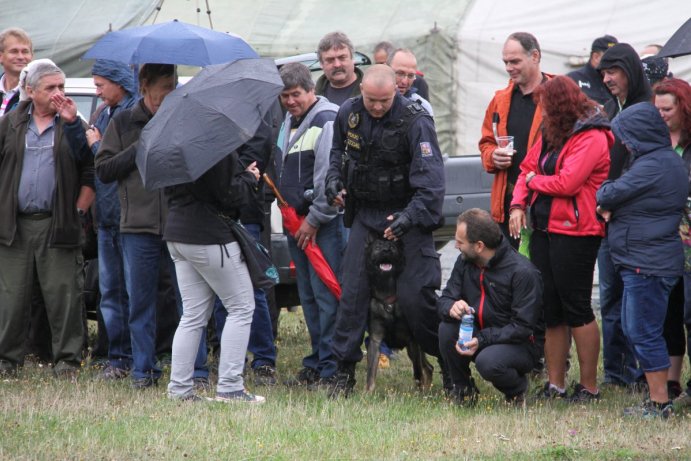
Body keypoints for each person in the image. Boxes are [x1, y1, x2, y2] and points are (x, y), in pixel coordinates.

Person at [324, 64, 445, 397]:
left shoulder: (416, 122)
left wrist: (406, 220)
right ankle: (342, 372)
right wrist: (333, 181)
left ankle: (450, 368)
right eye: (371, 100)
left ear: (397, 91)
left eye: (384, 100)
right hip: (366, 216)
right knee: (352, 295)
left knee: (417, 298)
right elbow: (337, 153)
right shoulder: (349, 113)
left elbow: (432, 186)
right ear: (361, 89)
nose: (376, 107)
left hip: (408, 217)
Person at [509, 76, 612, 401]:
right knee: (551, 308)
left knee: (577, 306)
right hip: (543, 229)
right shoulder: (551, 131)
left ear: (561, 105)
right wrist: (517, 203)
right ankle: (556, 384)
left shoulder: (593, 135)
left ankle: (589, 386)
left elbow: (567, 183)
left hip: (577, 232)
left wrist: (532, 180)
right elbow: (527, 167)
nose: (541, 113)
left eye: (545, 107)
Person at [0, 60, 94, 377]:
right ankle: (6, 361)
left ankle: (67, 361)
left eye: (62, 87)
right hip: (14, 226)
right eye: (50, 87)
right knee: (11, 297)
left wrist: (78, 212)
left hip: (58, 224)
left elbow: (90, 172)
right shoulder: (10, 124)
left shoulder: (72, 124)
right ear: (30, 91)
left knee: (64, 295)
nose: (58, 94)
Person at [596, 102, 687, 419]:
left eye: (626, 136)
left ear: (640, 134)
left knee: (644, 332)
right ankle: (656, 399)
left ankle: (660, 404)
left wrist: (608, 191)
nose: (623, 143)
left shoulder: (653, 165)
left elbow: (606, 194)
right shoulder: (657, 161)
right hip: (644, 259)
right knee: (639, 330)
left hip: (647, 262)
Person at [95, 63, 177, 389]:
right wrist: (140, 146)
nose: (169, 94)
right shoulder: (123, 121)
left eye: (173, 85)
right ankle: (144, 372)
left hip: (179, 227)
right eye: (164, 87)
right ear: (145, 85)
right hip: (137, 228)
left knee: (189, 304)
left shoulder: (180, 119)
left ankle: (196, 372)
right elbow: (104, 169)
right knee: (140, 304)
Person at [164, 148, 264, 403]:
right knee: (241, 307)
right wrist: (250, 178)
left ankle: (179, 389)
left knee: (192, 315)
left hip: (177, 232)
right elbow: (228, 195)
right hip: (209, 235)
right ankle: (230, 387)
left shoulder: (174, 145)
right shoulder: (214, 146)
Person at [276, 63, 344, 387]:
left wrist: (315, 220)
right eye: (285, 95)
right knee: (308, 297)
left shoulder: (326, 120)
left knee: (326, 296)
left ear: (311, 90)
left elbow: (327, 177)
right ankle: (316, 363)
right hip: (295, 225)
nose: (290, 101)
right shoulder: (289, 121)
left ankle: (332, 369)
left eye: (296, 94)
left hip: (320, 227)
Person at [438, 208, 541, 404]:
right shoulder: (464, 262)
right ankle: (463, 390)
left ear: (479, 246)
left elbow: (522, 327)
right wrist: (451, 306)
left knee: (488, 362)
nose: (455, 247)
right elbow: (444, 299)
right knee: (447, 328)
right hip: (481, 334)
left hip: (519, 344)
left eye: (460, 242)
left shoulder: (523, 272)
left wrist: (482, 339)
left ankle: (517, 391)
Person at [596, 43, 652, 388]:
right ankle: (616, 372)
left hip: (639, 220)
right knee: (610, 297)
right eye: (603, 73)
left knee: (639, 302)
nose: (606, 79)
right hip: (608, 217)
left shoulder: (647, 110)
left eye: (612, 72)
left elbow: (644, 168)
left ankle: (643, 373)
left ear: (629, 71)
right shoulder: (608, 108)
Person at [83, 60, 138, 379]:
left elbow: (118, 161)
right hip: (106, 217)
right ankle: (115, 355)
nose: (97, 91)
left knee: (132, 291)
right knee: (110, 291)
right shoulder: (103, 114)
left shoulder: (133, 116)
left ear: (120, 82)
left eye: (102, 84)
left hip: (128, 218)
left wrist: (96, 145)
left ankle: (131, 356)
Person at [479, 32, 552, 249]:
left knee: (542, 277)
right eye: (506, 62)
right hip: (507, 206)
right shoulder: (500, 100)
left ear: (535, 56)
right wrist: (493, 156)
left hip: (546, 205)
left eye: (515, 61)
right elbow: (485, 142)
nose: (509, 67)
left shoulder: (558, 96)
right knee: (509, 276)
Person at [653, 78, 691, 405]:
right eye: (658, 109)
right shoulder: (654, 141)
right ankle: (672, 381)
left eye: (668, 109)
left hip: (689, 241)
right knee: (668, 311)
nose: (662, 115)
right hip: (663, 241)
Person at [315, 32, 363, 107]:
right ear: (321, 64)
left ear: (353, 58)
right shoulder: (313, 98)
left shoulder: (370, 92)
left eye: (342, 58)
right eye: (330, 60)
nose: (337, 65)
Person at [567, 35, 618, 106]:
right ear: (596, 57)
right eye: (610, 56)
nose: (615, 61)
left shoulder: (618, 81)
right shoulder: (573, 79)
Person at [388, 48, 433, 116]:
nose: (405, 82)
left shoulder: (424, 107)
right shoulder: (370, 98)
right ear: (386, 69)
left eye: (410, 75)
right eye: (400, 73)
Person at [0, 27, 32, 116]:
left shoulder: (36, 93)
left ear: (32, 56)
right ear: (0, 56)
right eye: (14, 51)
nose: (20, 57)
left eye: (25, 52)